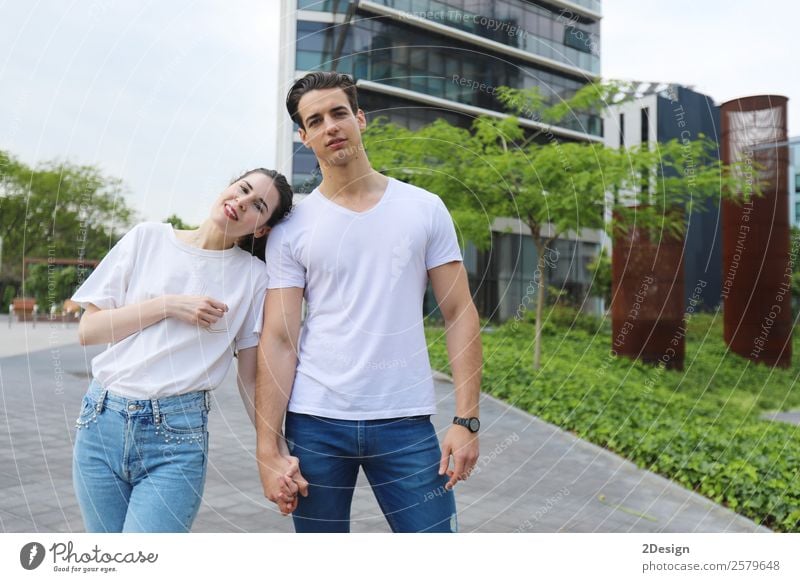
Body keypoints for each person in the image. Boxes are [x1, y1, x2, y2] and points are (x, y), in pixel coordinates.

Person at [255, 72, 483, 532]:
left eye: (339, 113)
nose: (330, 126)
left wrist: (467, 419)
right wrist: (267, 448)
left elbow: (459, 312)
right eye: (315, 120)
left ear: (360, 119)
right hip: (315, 421)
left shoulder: (424, 208)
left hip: (405, 420)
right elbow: (279, 337)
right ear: (304, 137)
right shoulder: (292, 227)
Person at [71, 168, 298, 532]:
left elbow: (251, 376)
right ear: (227, 187)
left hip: (175, 438)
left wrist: (273, 450)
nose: (240, 202)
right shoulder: (148, 238)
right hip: (100, 421)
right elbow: (89, 330)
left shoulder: (254, 279)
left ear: (261, 229)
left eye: (257, 205)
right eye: (241, 189)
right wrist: (169, 305)